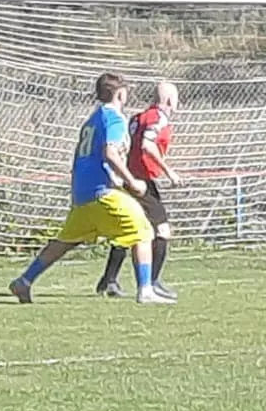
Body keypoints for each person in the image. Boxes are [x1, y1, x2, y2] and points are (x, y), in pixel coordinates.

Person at [10, 73, 175, 305]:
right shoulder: (114, 118)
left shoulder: (92, 119)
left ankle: (24, 281)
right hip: (102, 192)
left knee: (64, 242)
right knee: (145, 230)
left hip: (82, 193)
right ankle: (146, 290)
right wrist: (132, 181)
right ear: (120, 93)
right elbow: (110, 152)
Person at [95, 81, 185, 299]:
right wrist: (168, 171)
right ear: (171, 100)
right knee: (162, 230)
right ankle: (151, 283)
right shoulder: (159, 117)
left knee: (130, 229)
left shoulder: (137, 118)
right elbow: (147, 144)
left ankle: (108, 280)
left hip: (129, 177)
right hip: (140, 181)